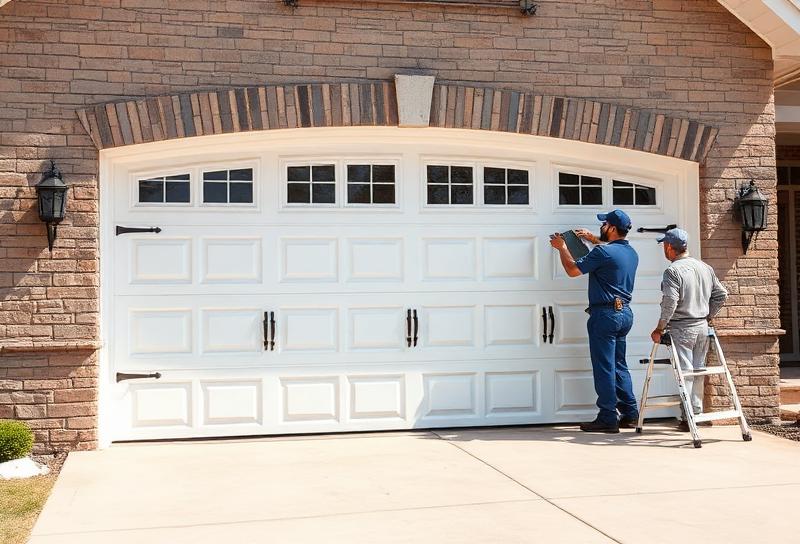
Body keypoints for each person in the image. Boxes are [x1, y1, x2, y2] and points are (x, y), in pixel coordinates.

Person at [550, 209, 640, 433]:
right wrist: (593, 239)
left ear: (610, 228)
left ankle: (608, 417)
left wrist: (562, 248)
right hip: (625, 314)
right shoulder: (631, 253)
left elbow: (572, 270)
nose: (601, 226)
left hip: (605, 315)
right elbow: (609, 253)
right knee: (619, 365)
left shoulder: (603, 253)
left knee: (604, 367)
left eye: (604, 224)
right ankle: (630, 413)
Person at [650, 228, 728, 431]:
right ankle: (696, 413)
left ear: (669, 247)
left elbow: (670, 302)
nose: (663, 250)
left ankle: (688, 419)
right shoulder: (704, 267)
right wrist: (708, 316)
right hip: (701, 326)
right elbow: (722, 295)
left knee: (686, 373)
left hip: (682, 328)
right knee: (698, 370)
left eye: (663, 246)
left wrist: (660, 327)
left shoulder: (673, 271)